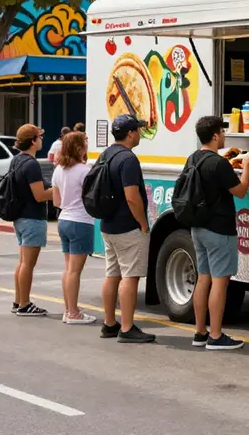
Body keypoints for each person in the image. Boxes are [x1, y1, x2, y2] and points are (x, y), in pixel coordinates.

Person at [189, 115, 249, 350]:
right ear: (216, 135)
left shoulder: (193, 159)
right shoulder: (218, 163)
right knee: (220, 282)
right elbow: (241, 191)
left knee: (203, 278)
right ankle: (216, 335)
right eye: (223, 132)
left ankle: (200, 332)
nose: (225, 136)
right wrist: (246, 168)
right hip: (219, 229)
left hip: (198, 227)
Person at [99, 114, 156, 344]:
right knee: (130, 277)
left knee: (112, 274)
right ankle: (127, 327)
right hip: (127, 227)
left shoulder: (107, 154)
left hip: (108, 225)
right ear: (131, 133)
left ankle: (109, 323)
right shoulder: (128, 159)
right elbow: (132, 197)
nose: (140, 134)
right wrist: (143, 223)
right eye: (138, 130)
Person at [52, 131, 96, 324]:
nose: (87, 146)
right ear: (78, 147)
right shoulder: (84, 171)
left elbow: (56, 200)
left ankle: (68, 309)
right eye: (85, 143)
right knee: (75, 271)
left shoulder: (58, 170)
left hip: (64, 219)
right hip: (81, 221)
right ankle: (73, 313)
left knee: (68, 268)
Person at [11, 124, 53, 317]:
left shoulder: (17, 160)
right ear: (33, 140)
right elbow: (40, 195)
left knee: (22, 262)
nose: (42, 140)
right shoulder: (31, 165)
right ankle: (25, 304)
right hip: (32, 218)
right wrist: (59, 190)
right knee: (28, 264)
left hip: (20, 217)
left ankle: (19, 300)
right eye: (39, 137)